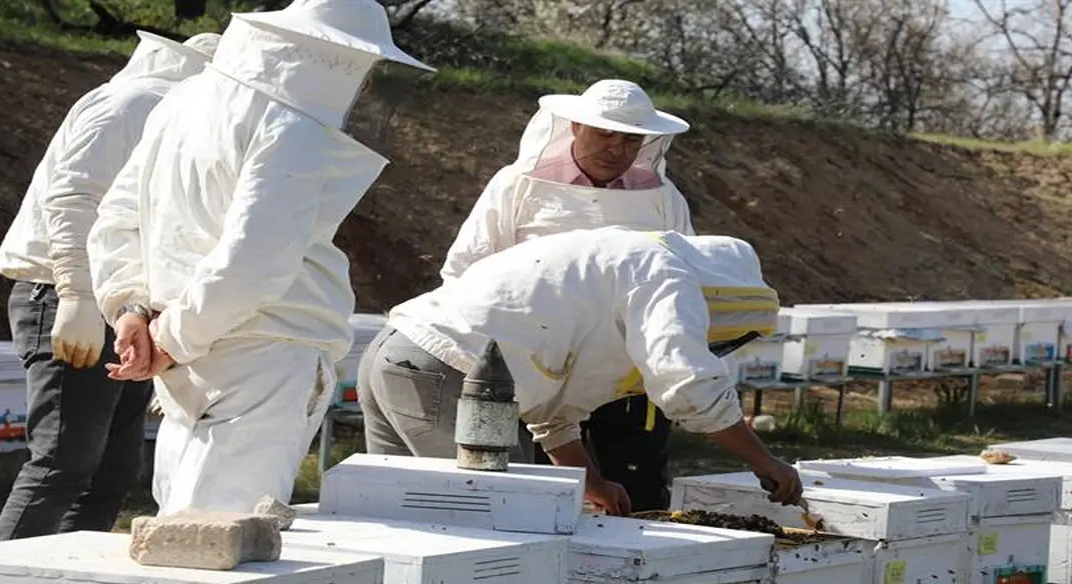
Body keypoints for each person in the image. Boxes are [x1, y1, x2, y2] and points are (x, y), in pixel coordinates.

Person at [88, 0, 434, 516]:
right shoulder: (293, 129)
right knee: (221, 534)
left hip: (187, 343)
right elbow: (254, 261)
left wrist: (131, 309)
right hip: (267, 349)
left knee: (180, 528)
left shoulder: (184, 100)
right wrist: (166, 336)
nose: (363, 86)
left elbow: (118, 220)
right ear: (335, 58)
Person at [359, 228, 803, 515]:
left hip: (396, 357)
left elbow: (550, 408)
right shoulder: (667, 274)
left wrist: (592, 482)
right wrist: (764, 460)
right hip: (453, 374)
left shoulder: (615, 267)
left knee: (405, 520)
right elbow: (689, 386)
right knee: (500, 527)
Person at [0, 31, 221, 542]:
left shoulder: (166, 112)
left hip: (120, 307)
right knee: (62, 465)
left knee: (110, 473)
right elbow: (73, 199)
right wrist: (78, 295)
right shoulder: (132, 104)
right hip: (65, 295)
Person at [440, 79, 696, 511]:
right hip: (534, 366)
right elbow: (466, 268)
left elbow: (685, 275)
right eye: (604, 133)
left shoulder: (661, 198)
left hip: (626, 371)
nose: (616, 147)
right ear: (575, 127)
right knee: (538, 490)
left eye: (631, 139)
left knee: (637, 487)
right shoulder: (517, 186)